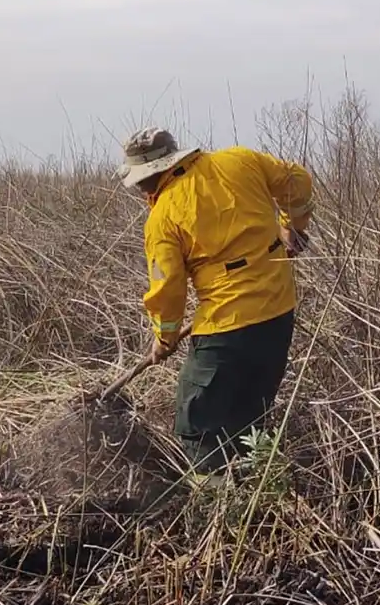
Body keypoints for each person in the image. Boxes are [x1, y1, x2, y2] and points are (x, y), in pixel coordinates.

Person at [117, 126, 315, 476]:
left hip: (227, 328)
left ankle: (216, 505)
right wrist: (293, 228)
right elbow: (297, 181)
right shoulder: (240, 160)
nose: (140, 190)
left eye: (140, 182)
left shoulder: (163, 216)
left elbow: (167, 290)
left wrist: (164, 339)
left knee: (197, 422)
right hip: (279, 312)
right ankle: (258, 486)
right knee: (252, 414)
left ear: (152, 175)